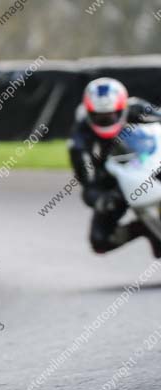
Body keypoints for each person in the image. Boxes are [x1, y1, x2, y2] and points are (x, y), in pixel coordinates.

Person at [68, 77, 161, 257]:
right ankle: (144, 227)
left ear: (122, 108)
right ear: (89, 113)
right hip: (114, 179)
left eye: (110, 115)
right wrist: (101, 200)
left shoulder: (138, 109)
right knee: (100, 240)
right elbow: (88, 186)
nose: (106, 120)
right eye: (99, 117)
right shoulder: (79, 142)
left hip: (150, 162)